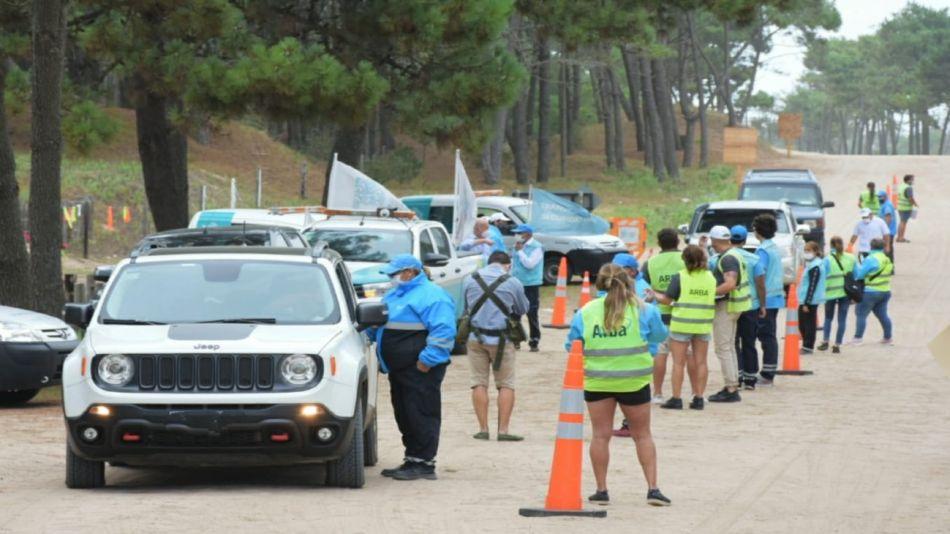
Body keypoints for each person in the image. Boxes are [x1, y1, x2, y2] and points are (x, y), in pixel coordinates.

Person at [565, 263, 670, 506]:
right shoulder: (643, 309)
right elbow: (659, 335)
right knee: (642, 435)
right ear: (630, 281)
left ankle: (601, 490)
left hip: (598, 380)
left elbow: (573, 345)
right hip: (634, 381)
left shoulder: (586, 311)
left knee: (600, 436)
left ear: (598, 285)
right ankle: (653, 489)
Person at [370, 254, 457, 481]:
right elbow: (378, 324)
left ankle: (424, 463)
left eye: (393, 274)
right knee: (405, 413)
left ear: (409, 272)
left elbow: (444, 331)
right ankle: (412, 458)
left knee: (421, 412)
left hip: (420, 369)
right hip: (398, 368)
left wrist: (426, 361)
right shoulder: (396, 294)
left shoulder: (432, 296)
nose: (390, 279)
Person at [463, 251, 529, 441]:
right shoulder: (512, 282)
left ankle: (483, 429)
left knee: (478, 382)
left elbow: (465, 308)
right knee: (506, 384)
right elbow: (523, 309)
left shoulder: (470, 279)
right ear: (507, 265)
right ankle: (503, 430)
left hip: (475, 338)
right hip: (503, 340)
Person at [653, 245, 714, 411]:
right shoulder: (710, 277)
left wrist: (654, 295)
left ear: (684, 260)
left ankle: (677, 398)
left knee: (678, 363)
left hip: (682, 323)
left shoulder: (680, 277)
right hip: (703, 323)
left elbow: (667, 299)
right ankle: (699, 397)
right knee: (701, 362)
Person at [608, 253, 661, 436]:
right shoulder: (619, 285)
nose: (614, 271)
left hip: (638, 348)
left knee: (632, 389)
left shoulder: (641, 289)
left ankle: (630, 424)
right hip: (624, 345)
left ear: (631, 270)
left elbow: (652, 324)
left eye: (619, 268)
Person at [706, 225, 750, 403]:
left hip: (727, 306)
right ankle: (732, 384)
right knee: (729, 346)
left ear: (715, 241)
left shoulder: (728, 259)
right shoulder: (735, 254)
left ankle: (731, 388)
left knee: (723, 348)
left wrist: (708, 295)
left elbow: (730, 283)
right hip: (736, 305)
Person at [641, 228, 685, 405]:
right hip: (683, 315)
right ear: (677, 241)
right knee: (683, 359)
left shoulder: (650, 263)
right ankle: (689, 393)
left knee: (660, 355)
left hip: (660, 314)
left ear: (659, 244)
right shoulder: (686, 260)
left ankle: (657, 393)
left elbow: (645, 286)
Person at [727, 226, 766, 389]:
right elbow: (760, 284)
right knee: (749, 342)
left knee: (733, 343)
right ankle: (751, 379)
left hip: (732, 305)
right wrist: (763, 305)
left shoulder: (723, 258)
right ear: (744, 240)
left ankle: (737, 375)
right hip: (751, 305)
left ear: (730, 239)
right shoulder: (754, 259)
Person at [752, 213, 784, 387]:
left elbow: (760, 277)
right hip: (776, 296)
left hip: (767, 299)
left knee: (766, 336)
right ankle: (768, 371)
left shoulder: (762, 250)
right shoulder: (774, 248)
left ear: (758, 230)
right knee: (769, 335)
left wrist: (761, 303)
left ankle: (767, 373)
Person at [849, 238, 893, 345]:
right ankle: (888, 337)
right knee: (883, 315)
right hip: (885, 290)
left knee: (861, 314)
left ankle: (857, 338)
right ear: (882, 247)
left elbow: (860, 274)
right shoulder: (886, 259)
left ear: (871, 246)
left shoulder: (871, 259)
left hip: (870, 291)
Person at [819, 236, 854, 354]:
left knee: (828, 318)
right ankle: (837, 344)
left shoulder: (827, 259)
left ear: (831, 246)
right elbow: (857, 274)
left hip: (830, 293)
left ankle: (825, 341)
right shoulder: (851, 258)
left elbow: (821, 276)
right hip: (846, 293)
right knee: (842, 319)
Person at [511, 224, 543, 352]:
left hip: (531, 284)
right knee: (514, 312)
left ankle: (534, 340)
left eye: (520, 233)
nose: (517, 235)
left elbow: (530, 264)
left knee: (532, 313)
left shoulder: (537, 247)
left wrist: (520, 251)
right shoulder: (517, 246)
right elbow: (513, 264)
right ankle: (515, 339)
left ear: (528, 234)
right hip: (516, 283)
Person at [797, 241, 827, 354]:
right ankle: (806, 345)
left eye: (808, 250)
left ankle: (808, 347)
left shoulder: (816, 266)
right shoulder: (811, 264)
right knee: (803, 324)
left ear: (815, 251)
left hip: (810, 300)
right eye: (805, 250)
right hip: (805, 299)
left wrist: (807, 303)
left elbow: (812, 285)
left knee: (808, 324)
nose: (806, 253)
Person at [896, 174, 919, 243]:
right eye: (912, 179)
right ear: (908, 180)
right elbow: (910, 198)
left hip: (900, 207)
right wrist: (915, 204)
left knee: (901, 222)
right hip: (906, 208)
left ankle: (899, 237)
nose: (913, 181)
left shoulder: (901, 186)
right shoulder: (908, 188)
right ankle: (901, 238)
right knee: (903, 223)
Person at [877, 190, 897, 265]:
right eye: (878, 197)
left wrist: (884, 230)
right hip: (888, 231)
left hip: (888, 232)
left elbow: (888, 217)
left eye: (880, 197)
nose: (879, 198)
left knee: (887, 249)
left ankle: (889, 266)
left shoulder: (887, 205)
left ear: (885, 197)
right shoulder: (884, 204)